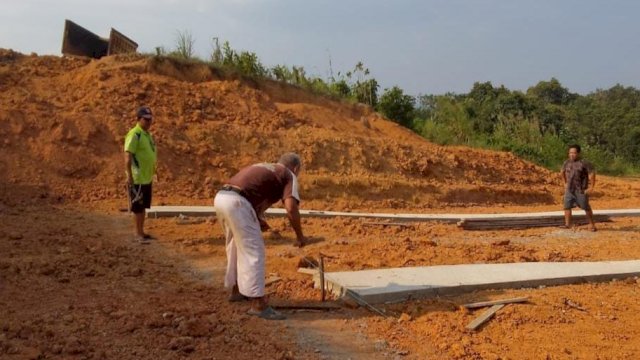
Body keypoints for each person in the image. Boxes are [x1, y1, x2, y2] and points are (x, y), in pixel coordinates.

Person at [214, 153, 308, 320]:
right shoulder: (288, 174)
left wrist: (257, 218)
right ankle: (258, 305)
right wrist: (300, 236)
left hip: (222, 197)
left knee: (236, 245)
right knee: (254, 251)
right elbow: (291, 208)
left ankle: (236, 290)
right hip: (238, 203)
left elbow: (251, 191)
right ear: (296, 168)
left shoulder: (266, 167)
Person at [124, 106, 157, 243]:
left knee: (143, 206)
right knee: (138, 207)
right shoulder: (135, 134)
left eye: (150, 120)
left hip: (146, 177)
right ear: (138, 119)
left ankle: (142, 231)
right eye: (146, 120)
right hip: (137, 177)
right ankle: (137, 233)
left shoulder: (147, 135)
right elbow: (128, 156)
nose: (149, 122)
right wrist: (129, 175)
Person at [561, 144, 596, 231]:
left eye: (574, 153)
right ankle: (568, 224)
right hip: (569, 189)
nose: (572, 155)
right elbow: (562, 172)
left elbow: (592, 174)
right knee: (567, 206)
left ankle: (592, 224)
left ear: (578, 153)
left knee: (585, 207)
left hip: (581, 190)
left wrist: (591, 187)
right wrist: (564, 183)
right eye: (570, 153)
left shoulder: (584, 163)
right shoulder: (566, 162)